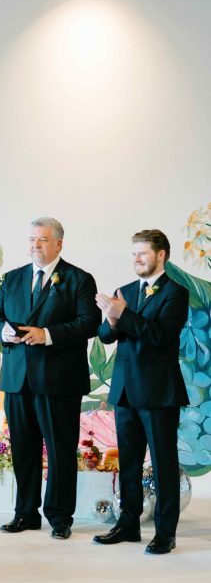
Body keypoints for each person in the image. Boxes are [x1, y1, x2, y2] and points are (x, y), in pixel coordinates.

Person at [0, 217, 100, 539]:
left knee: (60, 450)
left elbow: (90, 322)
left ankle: (60, 517)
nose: (35, 245)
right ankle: (25, 513)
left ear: (59, 244)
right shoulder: (13, 278)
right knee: (23, 448)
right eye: (32, 239)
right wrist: (3, 330)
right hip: (17, 378)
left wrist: (47, 335)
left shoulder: (79, 279)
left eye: (43, 240)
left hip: (58, 380)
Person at [94, 230, 189, 555]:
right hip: (125, 390)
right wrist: (111, 319)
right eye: (133, 253)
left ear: (161, 255)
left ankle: (165, 532)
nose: (136, 259)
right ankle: (128, 524)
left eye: (143, 253)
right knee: (129, 464)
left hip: (159, 393)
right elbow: (105, 336)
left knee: (163, 465)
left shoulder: (176, 293)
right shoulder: (125, 291)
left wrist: (123, 314)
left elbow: (160, 336)